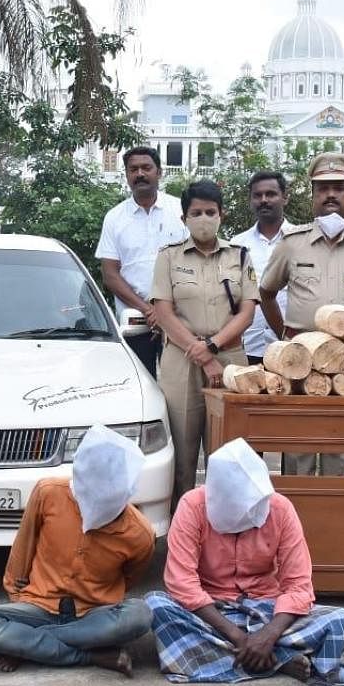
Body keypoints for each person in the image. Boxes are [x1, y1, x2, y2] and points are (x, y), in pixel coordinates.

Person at [145, 438, 344, 686]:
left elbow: (299, 586)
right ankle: (279, 660)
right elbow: (182, 583)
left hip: (267, 611)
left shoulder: (280, 509)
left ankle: (230, 659)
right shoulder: (192, 506)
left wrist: (268, 635)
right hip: (212, 612)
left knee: (341, 619)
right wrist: (239, 637)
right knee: (156, 605)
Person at [0, 425, 154, 676]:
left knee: (140, 615)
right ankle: (89, 655)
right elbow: (22, 552)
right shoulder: (48, 492)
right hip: (38, 607)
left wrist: (18, 640)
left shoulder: (140, 533)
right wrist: (18, 600)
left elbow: (129, 580)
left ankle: (24, 646)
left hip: (94, 615)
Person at [258, 153, 344, 477]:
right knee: (298, 452)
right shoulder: (292, 244)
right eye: (322, 189)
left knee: (339, 447)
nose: (330, 195)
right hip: (299, 361)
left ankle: (334, 521)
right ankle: (296, 523)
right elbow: (266, 292)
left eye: (339, 188)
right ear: (312, 196)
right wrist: (286, 335)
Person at [152, 180, 258, 503]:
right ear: (184, 218)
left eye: (210, 212)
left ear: (221, 215)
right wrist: (202, 354)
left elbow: (248, 312)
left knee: (227, 456)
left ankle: (225, 532)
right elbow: (163, 312)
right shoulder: (168, 257)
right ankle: (182, 532)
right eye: (196, 212)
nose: (204, 218)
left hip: (229, 361)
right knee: (182, 458)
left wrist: (212, 348)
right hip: (181, 361)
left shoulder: (239, 256)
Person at [96, 145, 188, 377]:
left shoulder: (180, 210)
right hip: (135, 322)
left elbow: (195, 264)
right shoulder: (115, 217)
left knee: (179, 389)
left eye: (146, 168)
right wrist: (150, 310)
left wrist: (165, 312)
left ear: (159, 172)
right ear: (126, 175)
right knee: (139, 386)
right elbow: (110, 274)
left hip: (182, 320)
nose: (140, 174)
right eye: (133, 169)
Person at [231, 172, 296, 366]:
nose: (264, 200)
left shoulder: (300, 241)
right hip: (247, 346)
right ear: (251, 201)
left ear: (285, 197)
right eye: (257, 195)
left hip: (290, 348)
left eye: (271, 194)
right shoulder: (237, 244)